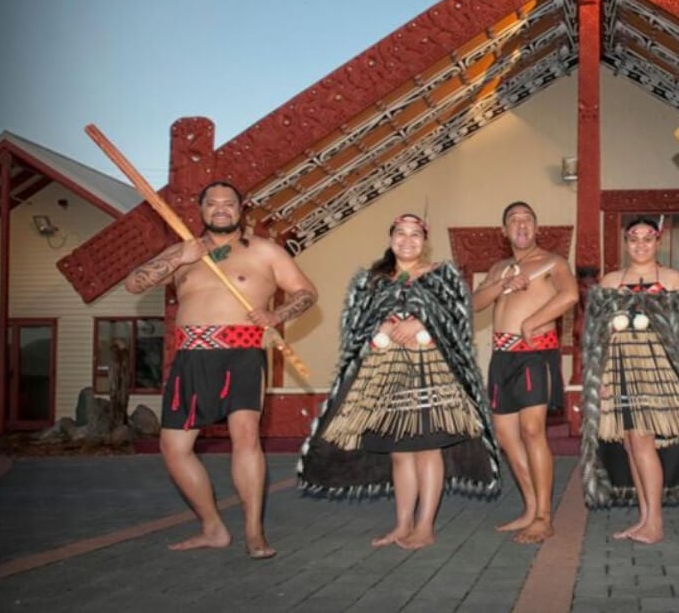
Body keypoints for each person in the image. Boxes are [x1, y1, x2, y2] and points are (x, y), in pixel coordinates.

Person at [125, 180, 318, 559]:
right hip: (191, 354)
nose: (220, 209)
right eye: (211, 203)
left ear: (240, 209)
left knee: (245, 438)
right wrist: (180, 256)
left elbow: (306, 292)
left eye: (228, 203)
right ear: (201, 210)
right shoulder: (184, 252)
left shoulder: (264, 251)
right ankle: (212, 527)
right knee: (174, 447)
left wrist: (276, 314)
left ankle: (254, 533)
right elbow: (134, 283)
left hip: (242, 351)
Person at [297, 213, 499, 549]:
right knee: (400, 451)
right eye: (401, 234)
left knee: (428, 447)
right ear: (391, 238)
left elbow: (459, 315)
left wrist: (421, 325)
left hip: (429, 368)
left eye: (415, 235)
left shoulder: (441, 275)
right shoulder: (372, 280)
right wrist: (382, 329)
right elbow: (353, 323)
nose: (408, 241)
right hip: (384, 369)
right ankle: (402, 524)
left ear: (425, 240)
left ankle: (425, 527)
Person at [580, 217, 679, 544]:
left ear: (658, 241)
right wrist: (600, 377)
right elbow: (595, 336)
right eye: (633, 238)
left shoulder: (673, 280)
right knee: (630, 443)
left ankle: (655, 522)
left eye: (647, 238)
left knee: (641, 440)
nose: (640, 245)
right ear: (625, 243)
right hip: (619, 367)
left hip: (658, 369)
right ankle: (644, 518)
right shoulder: (611, 281)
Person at [472, 201, 579, 543]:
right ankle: (531, 509)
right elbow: (474, 303)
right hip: (502, 358)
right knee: (505, 433)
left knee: (533, 430)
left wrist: (534, 319)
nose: (521, 224)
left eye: (527, 219)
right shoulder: (500, 267)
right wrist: (503, 285)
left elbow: (571, 294)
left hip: (535, 353)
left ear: (536, 227)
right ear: (504, 231)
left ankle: (545, 517)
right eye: (513, 220)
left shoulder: (552, 262)